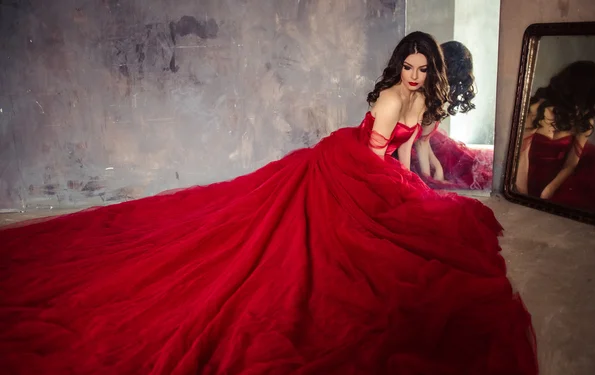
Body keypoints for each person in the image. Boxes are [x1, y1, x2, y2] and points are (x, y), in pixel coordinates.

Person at [0, 32, 537, 375]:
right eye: (408, 67)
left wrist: (418, 186)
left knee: (432, 223)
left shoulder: (423, 101)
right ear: (398, 68)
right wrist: (398, 195)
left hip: (376, 167)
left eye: (422, 69)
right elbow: (374, 160)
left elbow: (403, 158)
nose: (414, 76)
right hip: (346, 164)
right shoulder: (391, 98)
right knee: (289, 240)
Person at [515, 60, 595, 213]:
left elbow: (571, 164)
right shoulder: (536, 109)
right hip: (527, 171)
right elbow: (522, 155)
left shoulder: (584, 120)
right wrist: (523, 194)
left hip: (558, 177)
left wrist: (549, 190)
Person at [409, 41, 494, 190]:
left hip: (415, 143)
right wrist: (429, 180)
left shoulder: (429, 88)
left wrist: (437, 168)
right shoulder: (428, 95)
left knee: (453, 163)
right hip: (405, 147)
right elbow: (420, 142)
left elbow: (423, 140)